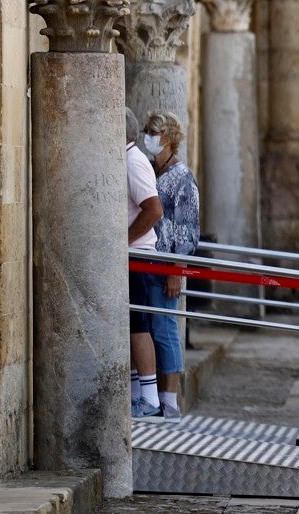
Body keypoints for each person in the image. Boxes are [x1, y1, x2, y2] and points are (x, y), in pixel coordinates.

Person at [141, 112, 200, 423]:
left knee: (165, 330)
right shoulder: (150, 170)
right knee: (145, 327)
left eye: (153, 132)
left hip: (165, 264)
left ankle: (170, 398)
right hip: (144, 259)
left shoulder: (182, 178)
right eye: (147, 130)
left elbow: (187, 228)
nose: (148, 136)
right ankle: (148, 393)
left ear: (167, 138)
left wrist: (177, 267)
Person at [126, 108, 165, 421]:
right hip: (130, 254)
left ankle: (150, 398)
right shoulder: (128, 158)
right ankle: (138, 393)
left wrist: (123, 240)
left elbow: (153, 210)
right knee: (130, 325)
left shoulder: (132, 160)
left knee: (139, 325)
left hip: (136, 255)